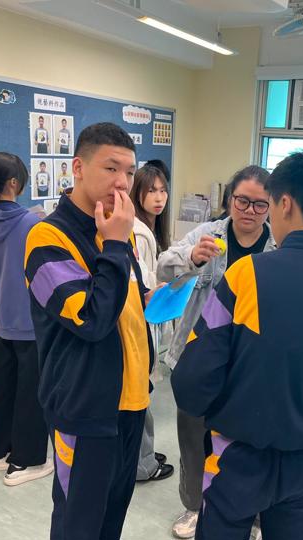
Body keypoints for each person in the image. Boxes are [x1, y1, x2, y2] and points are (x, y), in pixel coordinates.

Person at [171, 151, 303, 540]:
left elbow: (191, 378)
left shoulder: (243, 276)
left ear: (284, 203)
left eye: (268, 203)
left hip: (234, 455)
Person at [24, 122, 154, 539]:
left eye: (129, 172)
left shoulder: (115, 227)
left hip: (130, 400)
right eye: (111, 168)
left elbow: (121, 301)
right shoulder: (47, 237)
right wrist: (114, 244)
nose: (123, 182)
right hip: (84, 407)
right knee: (78, 524)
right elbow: (91, 320)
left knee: (111, 518)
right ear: (78, 168)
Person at [157, 165, 275, 539]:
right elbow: (162, 268)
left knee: (247, 443)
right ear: (229, 199)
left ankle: (250, 514)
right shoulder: (207, 235)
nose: (250, 210)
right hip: (197, 359)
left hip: (251, 367)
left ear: (272, 207)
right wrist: (192, 258)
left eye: (260, 204)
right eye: (242, 200)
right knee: (194, 440)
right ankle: (195, 507)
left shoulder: (277, 248)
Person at [0, 152, 52, 486]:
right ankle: (25, 462)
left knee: (4, 388)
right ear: (15, 183)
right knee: (31, 392)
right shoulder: (32, 224)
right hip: (30, 323)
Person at [128, 163, 174, 482]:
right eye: (151, 191)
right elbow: (145, 287)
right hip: (142, 324)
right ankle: (142, 463)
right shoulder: (139, 233)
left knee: (143, 393)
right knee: (140, 394)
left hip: (147, 321)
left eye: (163, 190)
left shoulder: (149, 229)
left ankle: (143, 455)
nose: (159, 198)